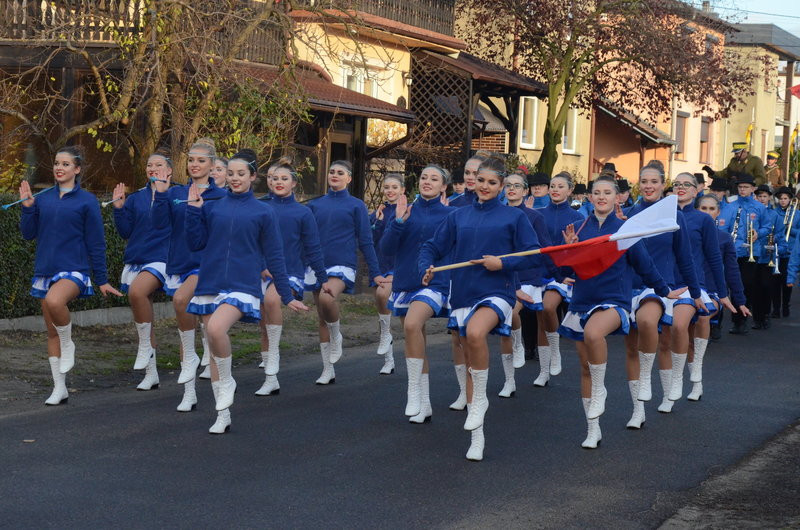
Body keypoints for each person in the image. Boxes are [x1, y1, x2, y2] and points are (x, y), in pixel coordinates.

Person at [419, 156, 540, 461]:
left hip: (497, 291)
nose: (484, 186)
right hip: (462, 293)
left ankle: (481, 400)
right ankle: (477, 438)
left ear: (501, 186)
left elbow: (533, 254)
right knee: (470, 353)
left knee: (475, 334)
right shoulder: (458, 216)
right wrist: (427, 266)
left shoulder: (514, 218)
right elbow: (431, 246)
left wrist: (504, 262)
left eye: (492, 182)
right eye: (480, 181)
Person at [185, 149, 308, 434]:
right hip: (210, 282)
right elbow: (195, 243)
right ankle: (222, 414)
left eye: (241, 174)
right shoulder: (213, 206)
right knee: (214, 350)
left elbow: (275, 256)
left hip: (242, 284)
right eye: (230, 174)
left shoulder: (264, 211)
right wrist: (193, 211)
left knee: (216, 330)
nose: (235, 178)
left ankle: (228, 382)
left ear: (253, 177)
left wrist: (287, 296)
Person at [557, 176, 684, 449]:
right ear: (589, 197)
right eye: (596, 192)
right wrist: (569, 248)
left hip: (614, 301)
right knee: (584, 368)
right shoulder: (578, 228)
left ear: (618, 198)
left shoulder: (625, 230)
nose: (601, 197)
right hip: (581, 301)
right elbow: (565, 273)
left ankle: (602, 390)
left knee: (594, 333)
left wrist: (664, 290)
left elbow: (645, 266)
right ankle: (593, 429)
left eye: (607, 193)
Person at [19, 146, 122, 406]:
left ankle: (69, 342)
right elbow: (28, 233)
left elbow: (96, 243)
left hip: (74, 269)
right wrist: (29, 207)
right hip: (45, 270)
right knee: (50, 332)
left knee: (55, 302)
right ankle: (59, 387)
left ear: (77, 169)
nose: (59, 168)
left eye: (65, 164)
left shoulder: (86, 200)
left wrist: (101, 279)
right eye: (56, 163)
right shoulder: (42, 198)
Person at [152, 139, 227, 411]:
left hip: (207, 265)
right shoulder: (175, 193)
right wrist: (160, 195)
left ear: (212, 165)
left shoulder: (221, 197)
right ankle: (190, 393)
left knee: (183, 302)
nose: (195, 165)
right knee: (204, 328)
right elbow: (159, 226)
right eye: (191, 160)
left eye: (201, 161)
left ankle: (220, 395)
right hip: (180, 263)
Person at [624, 163, 702, 419]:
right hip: (630, 286)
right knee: (632, 348)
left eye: (654, 182)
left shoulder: (674, 215)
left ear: (662, 184)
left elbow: (685, 257)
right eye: (644, 181)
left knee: (661, 337)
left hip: (661, 287)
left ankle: (666, 390)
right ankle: (637, 410)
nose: (648, 186)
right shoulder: (627, 213)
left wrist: (696, 291)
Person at [380, 164, 454, 424]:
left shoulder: (451, 214)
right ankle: (424, 403)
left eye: (434, 179)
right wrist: (398, 221)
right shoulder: (404, 211)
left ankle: (412, 389)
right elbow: (387, 248)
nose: (427, 182)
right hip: (405, 281)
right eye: (424, 177)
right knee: (414, 336)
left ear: (444, 186)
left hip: (435, 283)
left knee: (412, 323)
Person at [305, 161, 386, 384]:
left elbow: (366, 240)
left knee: (327, 298)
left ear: (349, 178)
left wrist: (375, 272)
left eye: (340, 173)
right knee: (321, 313)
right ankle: (327, 369)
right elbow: (306, 239)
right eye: (331, 171)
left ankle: (337, 333)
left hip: (342, 263)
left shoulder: (356, 205)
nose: (335, 175)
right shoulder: (315, 205)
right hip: (318, 264)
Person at [255, 162, 328, 396]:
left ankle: (273, 358)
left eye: (284, 178)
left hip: (290, 272)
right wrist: (261, 266)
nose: (278, 182)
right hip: (260, 272)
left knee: (272, 301)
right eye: (274, 178)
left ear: (294, 183)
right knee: (263, 323)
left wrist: (323, 277)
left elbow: (313, 248)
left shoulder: (303, 213)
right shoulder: (260, 207)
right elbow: (251, 243)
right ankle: (270, 377)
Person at [672, 173, 738, 401]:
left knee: (700, 318)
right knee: (679, 334)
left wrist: (724, 294)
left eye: (686, 184)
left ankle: (696, 367)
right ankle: (684, 379)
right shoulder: (665, 215)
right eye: (677, 184)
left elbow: (715, 260)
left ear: (695, 190)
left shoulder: (703, 223)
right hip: (671, 284)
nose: (681, 188)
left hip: (701, 285)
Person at [111, 150, 172, 391]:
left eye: (158, 165)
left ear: (169, 170)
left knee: (136, 293)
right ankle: (151, 372)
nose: (152, 168)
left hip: (164, 260)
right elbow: (125, 232)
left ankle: (202, 355)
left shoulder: (178, 194)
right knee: (143, 315)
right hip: (137, 260)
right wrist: (118, 208)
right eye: (149, 165)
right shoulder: (136, 198)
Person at [501, 172, 553, 394]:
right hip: (504, 277)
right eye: (508, 185)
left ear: (525, 191)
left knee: (535, 319)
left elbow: (544, 249)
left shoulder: (534, 217)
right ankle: (509, 379)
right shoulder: (498, 215)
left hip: (530, 277)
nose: (511, 189)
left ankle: (544, 370)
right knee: (506, 318)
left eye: (517, 186)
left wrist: (558, 274)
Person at [694, 194, 750, 397]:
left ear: (718, 213)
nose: (707, 213)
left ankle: (696, 375)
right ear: (696, 210)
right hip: (687, 290)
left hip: (712, 293)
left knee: (701, 317)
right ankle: (680, 375)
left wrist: (740, 300)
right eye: (703, 208)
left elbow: (732, 271)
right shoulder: (686, 235)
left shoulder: (725, 238)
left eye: (711, 209)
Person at [536, 171, 585, 387]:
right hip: (540, 271)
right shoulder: (537, 214)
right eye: (552, 186)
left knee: (548, 308)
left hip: (563, 274)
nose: (555, 189)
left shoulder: (578, 218)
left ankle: (555, 350)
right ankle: (543, 370)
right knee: (540, 319)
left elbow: (583, 251)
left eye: (560, 186)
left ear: (570, 190)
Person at [723, 172, 769, 334]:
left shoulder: (760, 207)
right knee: (735, 285)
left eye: (746, 187)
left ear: (753, 189)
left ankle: (742, 319)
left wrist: (759, 233)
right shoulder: (730, 206)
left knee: (746, 285)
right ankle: (737, 322)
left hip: (752, 251)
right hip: (733, 252)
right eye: (740, 187)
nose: (742, 190)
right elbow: (724, 228)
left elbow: (767, 226)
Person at [369, 174, 405, 373]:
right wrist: (377, 222)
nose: (390, 190)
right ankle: (389, 361)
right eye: (386, 187)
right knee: (382, 305)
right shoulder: (377, 213)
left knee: (384, 296)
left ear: (402, 190)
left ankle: (387, 336)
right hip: (381, 265)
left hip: (398, 265)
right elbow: (371, 241)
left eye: (394, 187)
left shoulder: (407, 211)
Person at [752, 185, 784, 329]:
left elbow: (780, 233)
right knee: (755, 287)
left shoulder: (774, 215)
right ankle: (757, 318)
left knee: (766, 286)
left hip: (767, 255)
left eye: (765, 196)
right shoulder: (752, 212)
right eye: (759, 196)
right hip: (753, 254)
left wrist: (773, 239)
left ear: (770, 197)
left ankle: (765, 314)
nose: (762, 199)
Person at [772, 187, 799, 317]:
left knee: (786, 281)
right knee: (775, 282)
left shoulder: (797, 214)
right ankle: (776, 308)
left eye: (785, 199)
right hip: (777, 251)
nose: (783, 201)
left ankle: (786, 306)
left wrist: (790, 229)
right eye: (781, 199)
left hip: (790, 251)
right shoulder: (774, 213)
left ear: (790, 199)